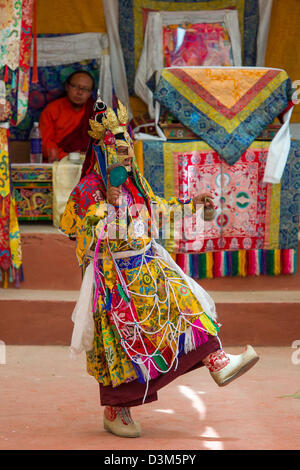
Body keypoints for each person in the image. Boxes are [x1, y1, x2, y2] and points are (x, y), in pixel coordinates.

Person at [60, 94, 259, 438]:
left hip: (149, 266)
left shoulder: (134, 186)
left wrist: (191, 203)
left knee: (185, 303)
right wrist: (104, 209)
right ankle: (116, 408)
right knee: (123, 345)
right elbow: (81, 230)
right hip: (114, 281)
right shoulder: (89, 188)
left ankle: (218, 361)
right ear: (101, 149)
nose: (124, 150)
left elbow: (157, 208)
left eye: (126, 142)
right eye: (115, 143)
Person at [39, 70, 95, 162]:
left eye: (85, 89)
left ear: (90, 93)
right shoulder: (52, 110)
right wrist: (70, 156)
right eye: (75, 86)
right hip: (59, 161)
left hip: (87, 162)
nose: (79, 92)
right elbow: (46, 144)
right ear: (67, 87)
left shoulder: (95, 112)